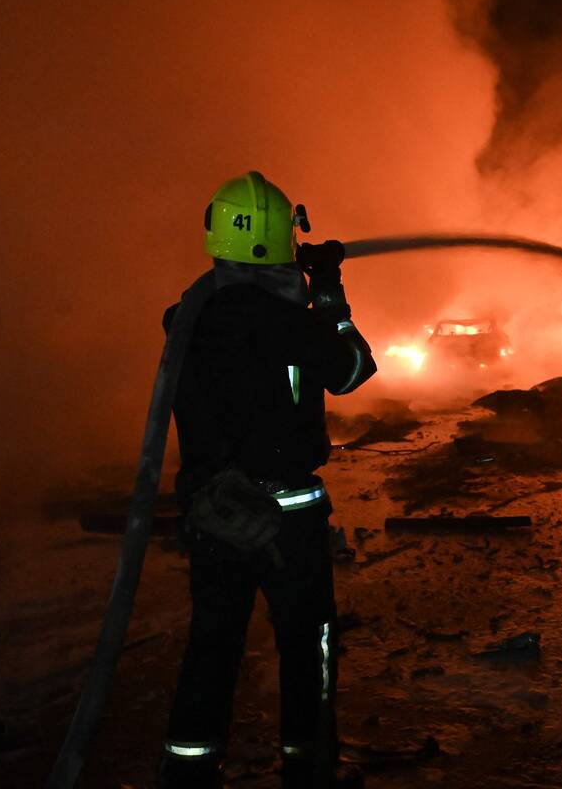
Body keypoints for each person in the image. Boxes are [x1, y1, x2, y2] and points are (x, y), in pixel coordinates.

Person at [157, 171, 375, 789]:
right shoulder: (282, 319)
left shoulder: (189, 317)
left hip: (214, 514)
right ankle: (310, 764)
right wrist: (329, 293)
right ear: (283, 235)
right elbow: (352, 368)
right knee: (308, 642)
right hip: (289, 518)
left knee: (213, 645)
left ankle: (187, 771)